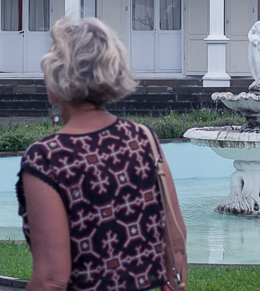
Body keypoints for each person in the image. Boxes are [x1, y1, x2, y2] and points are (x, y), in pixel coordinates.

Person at [17, 17, 186, 291]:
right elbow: (176, 245)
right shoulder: (144, 139)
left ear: (55, 81)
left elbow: (52, 280)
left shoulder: (47, 158)